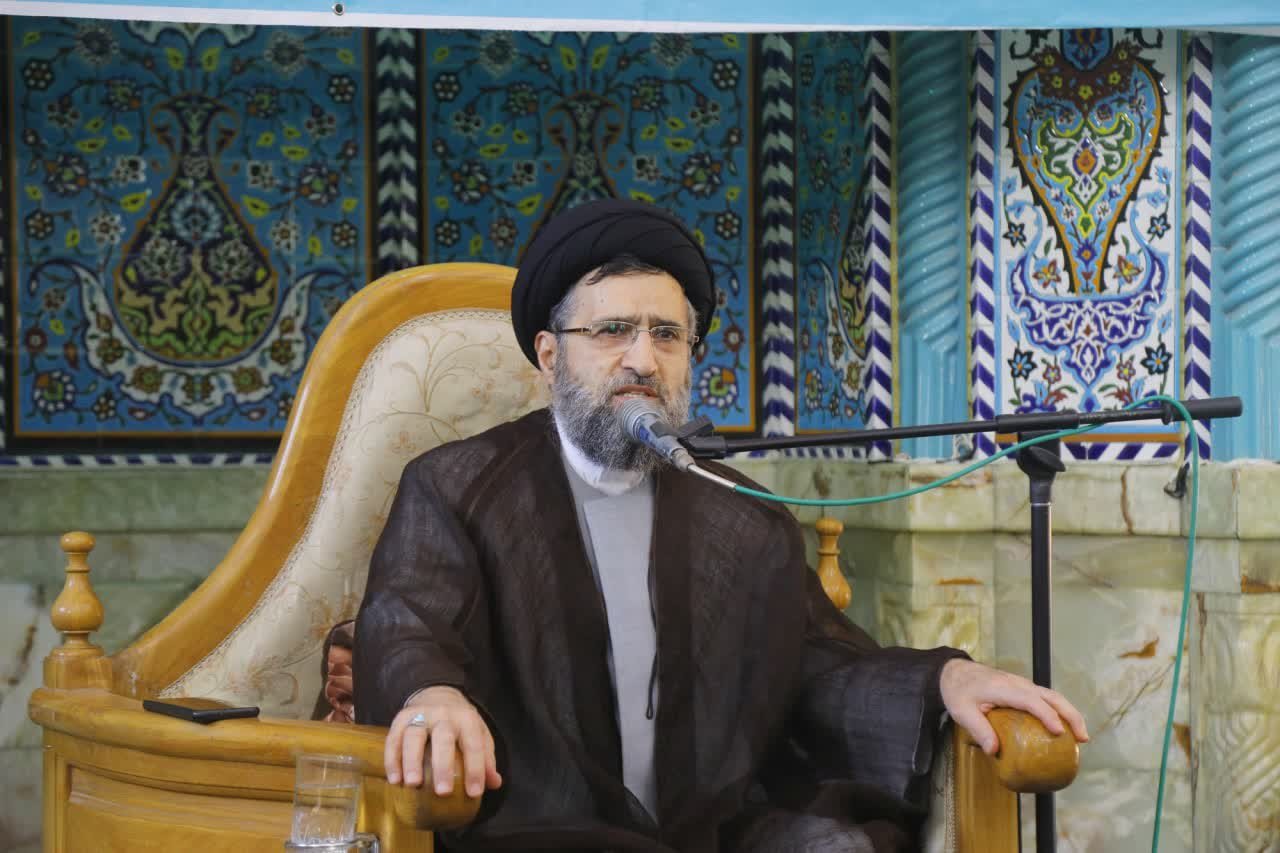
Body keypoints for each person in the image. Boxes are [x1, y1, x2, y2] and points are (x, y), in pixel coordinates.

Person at [352, 199, 1088, 852]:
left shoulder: (740, 512)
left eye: (667, 335)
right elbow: (409, 623)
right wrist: (431, 695)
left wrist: (943, 678)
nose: (643, 359)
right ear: (551, 354)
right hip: (541, 825)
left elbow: (813, 664)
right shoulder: (458, 486)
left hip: (709, 827)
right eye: (613, 331)